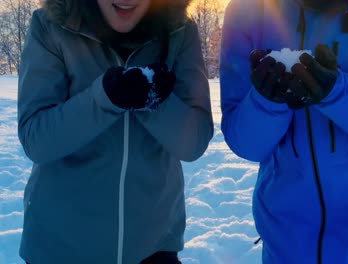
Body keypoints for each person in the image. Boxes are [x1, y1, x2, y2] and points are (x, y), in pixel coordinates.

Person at [220, 0, 348, 263]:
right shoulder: (247, 11)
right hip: (287, 244)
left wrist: (338, 92)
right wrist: (266, 101)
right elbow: (246, 143)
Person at [17, 0, 213, 263]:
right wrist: (104, 100)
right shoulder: (51, 26)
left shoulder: (179, 31)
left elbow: (194, 143)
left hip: (153, 249)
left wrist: (153, 101)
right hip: (59, 249)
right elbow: (36, 140)